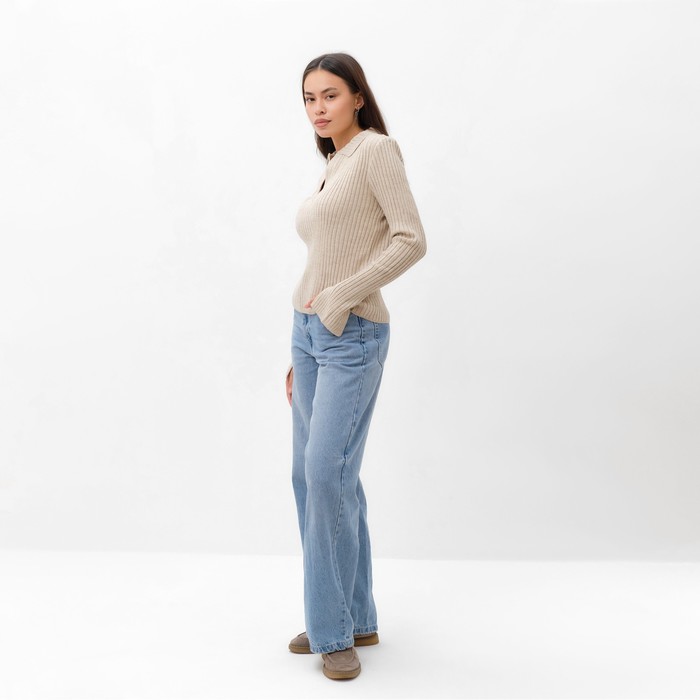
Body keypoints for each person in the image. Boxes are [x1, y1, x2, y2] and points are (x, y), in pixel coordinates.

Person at [285, 52, 427, 681]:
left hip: (352, 333)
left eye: (330, 95)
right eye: (309, 98)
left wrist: (340, 298)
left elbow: (411, 238)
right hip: (309, 336)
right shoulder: (334, 164)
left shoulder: (375, 151)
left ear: (358, 98)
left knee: (326, 475)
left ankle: (332, 630)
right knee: (313, 475)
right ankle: (353, 615)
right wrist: (301, 345)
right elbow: (325, 256)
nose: (318, 108)